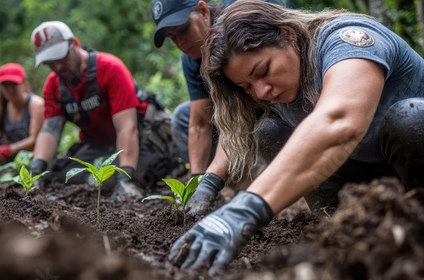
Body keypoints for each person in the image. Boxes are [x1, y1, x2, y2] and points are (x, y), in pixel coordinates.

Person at [168, 0, 424, 275]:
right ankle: (338, 226)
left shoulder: (344, 39)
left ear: (287, 34)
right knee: (270, 131)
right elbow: (236, 132)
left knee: (409, 119)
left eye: (263, 71)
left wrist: (243, 210)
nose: (262, 91)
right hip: (370, 165)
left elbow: (339, 121)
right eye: (247, 86)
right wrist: (209, 184)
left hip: (413, 155)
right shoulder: (276, 84)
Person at [150, 0, 295, 216]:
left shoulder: (241, 22)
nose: (181, 42)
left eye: (183, 30)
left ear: (203, 11)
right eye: (173, 37)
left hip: (279, 101)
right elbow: (199, 123)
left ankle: (279, 184)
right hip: (240, 119)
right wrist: (198, 183)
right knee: (184, 115)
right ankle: (234, 182)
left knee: (269, 126)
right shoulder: (191, 60)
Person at [28, 21, 177, 199]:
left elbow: (127, 128)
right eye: (50, 63)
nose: (58, 67)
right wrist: (36, 171)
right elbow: (49, 131)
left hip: (140, 135)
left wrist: (125, 178)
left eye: (61, 58)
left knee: (120, 178)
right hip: (99, 143)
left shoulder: (109, 68)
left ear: (75, 43)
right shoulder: (54, 85)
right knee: (60, 176)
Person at [0, 63, 44, 165]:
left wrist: (7, 150)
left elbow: (35, 139)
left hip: (31, 158)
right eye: (6, 85)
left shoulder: (36, 104)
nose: (10, 89)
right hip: (10, 160)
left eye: (14, 84)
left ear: (23, 83)